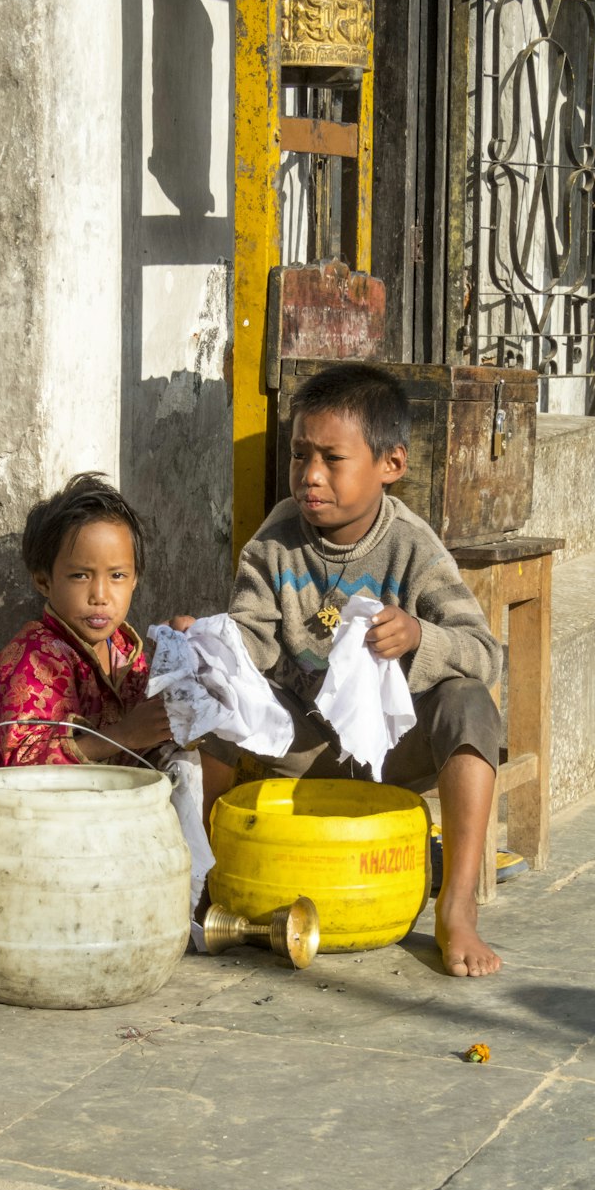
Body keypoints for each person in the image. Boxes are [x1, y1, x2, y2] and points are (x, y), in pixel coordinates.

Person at [182, 363, 504, 977]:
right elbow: (250, 639)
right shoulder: (274, 543)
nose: (310, 476)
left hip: (392, 748)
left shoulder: (413, 546)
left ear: (391, 465)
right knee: (216, 693)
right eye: (301, 454)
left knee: (470, 705)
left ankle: (456, 904)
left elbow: (484, 653)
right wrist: (207, 644)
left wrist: (417, 637)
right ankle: (210, 875)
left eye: (333, 459)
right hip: (302, 743)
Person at [0, 472, 173, 857]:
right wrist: (124, 735)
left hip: (79, 817)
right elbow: (24, 771)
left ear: (135, 579)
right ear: (44, 580)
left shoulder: (127, 650)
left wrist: (189, 653)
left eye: (118, 576)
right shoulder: (36, 659)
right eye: (80, 576)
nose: (100, 596)